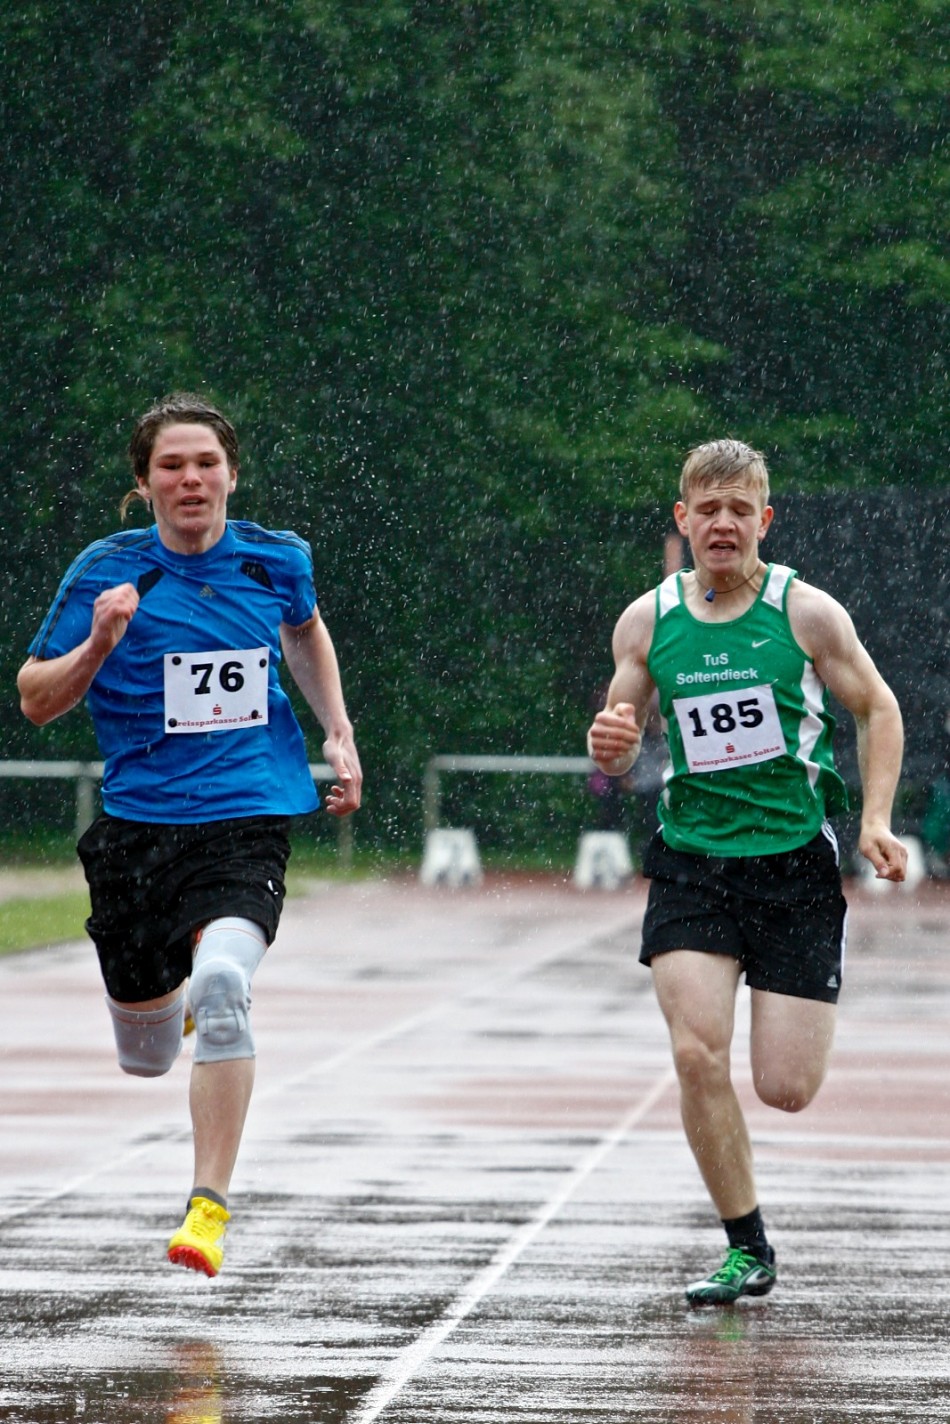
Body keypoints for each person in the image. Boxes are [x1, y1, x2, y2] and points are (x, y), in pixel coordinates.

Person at [18, 392, 362, 1278]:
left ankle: (208, 1206)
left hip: (248, 820)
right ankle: (165, 1010)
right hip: (138, 831)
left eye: (206, 462)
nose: (191, 479)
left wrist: (338, 732)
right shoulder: (107, 569)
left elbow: (305, 631)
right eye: (171, 465)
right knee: (143, 1056)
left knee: (223, 985)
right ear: (144, 483)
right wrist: (98, 644)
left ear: (232, 473)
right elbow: (35, 698)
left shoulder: (277, 559)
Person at [586, 438, 906, 1307]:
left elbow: (878, 707)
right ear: (682, 520)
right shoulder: (647, 620)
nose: (722, 524)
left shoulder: (807, 614)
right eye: (707, 508)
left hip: (794, 864)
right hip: (692, 861)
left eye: (740, 510)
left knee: (785, 1088)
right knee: (696, 1054)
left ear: (763, 520)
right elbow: (618, 735)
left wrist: (873, 818)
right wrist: (609, 744)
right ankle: (746, 1245)